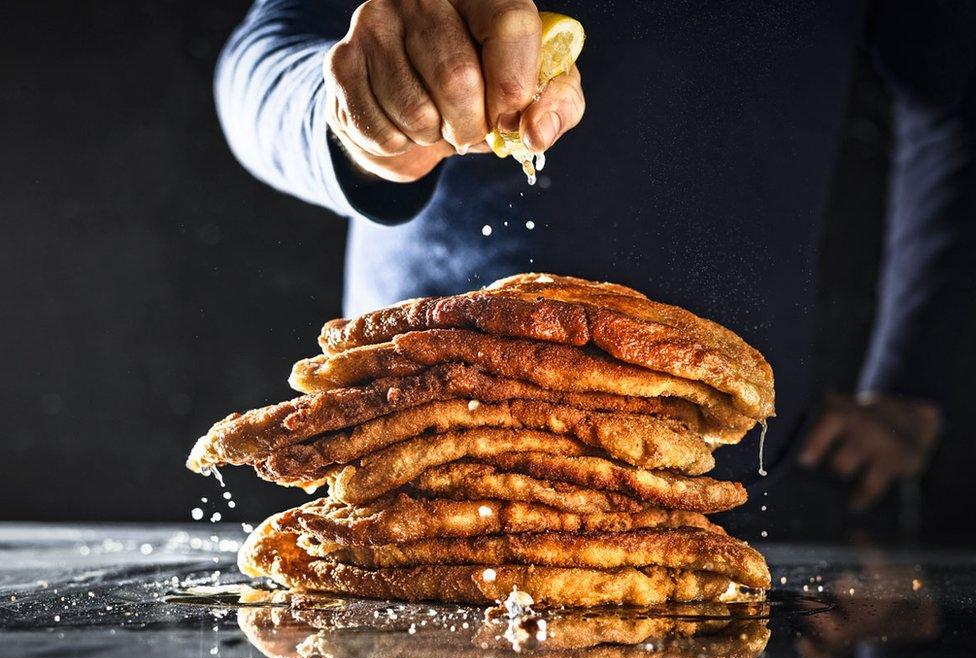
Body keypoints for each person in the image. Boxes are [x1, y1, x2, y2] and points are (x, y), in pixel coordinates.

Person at [214, 0, 975, 538]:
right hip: (413, 456)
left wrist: (917, 376)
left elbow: (956, 89)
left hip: (753, 456)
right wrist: (350, 117)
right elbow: (262, 54)